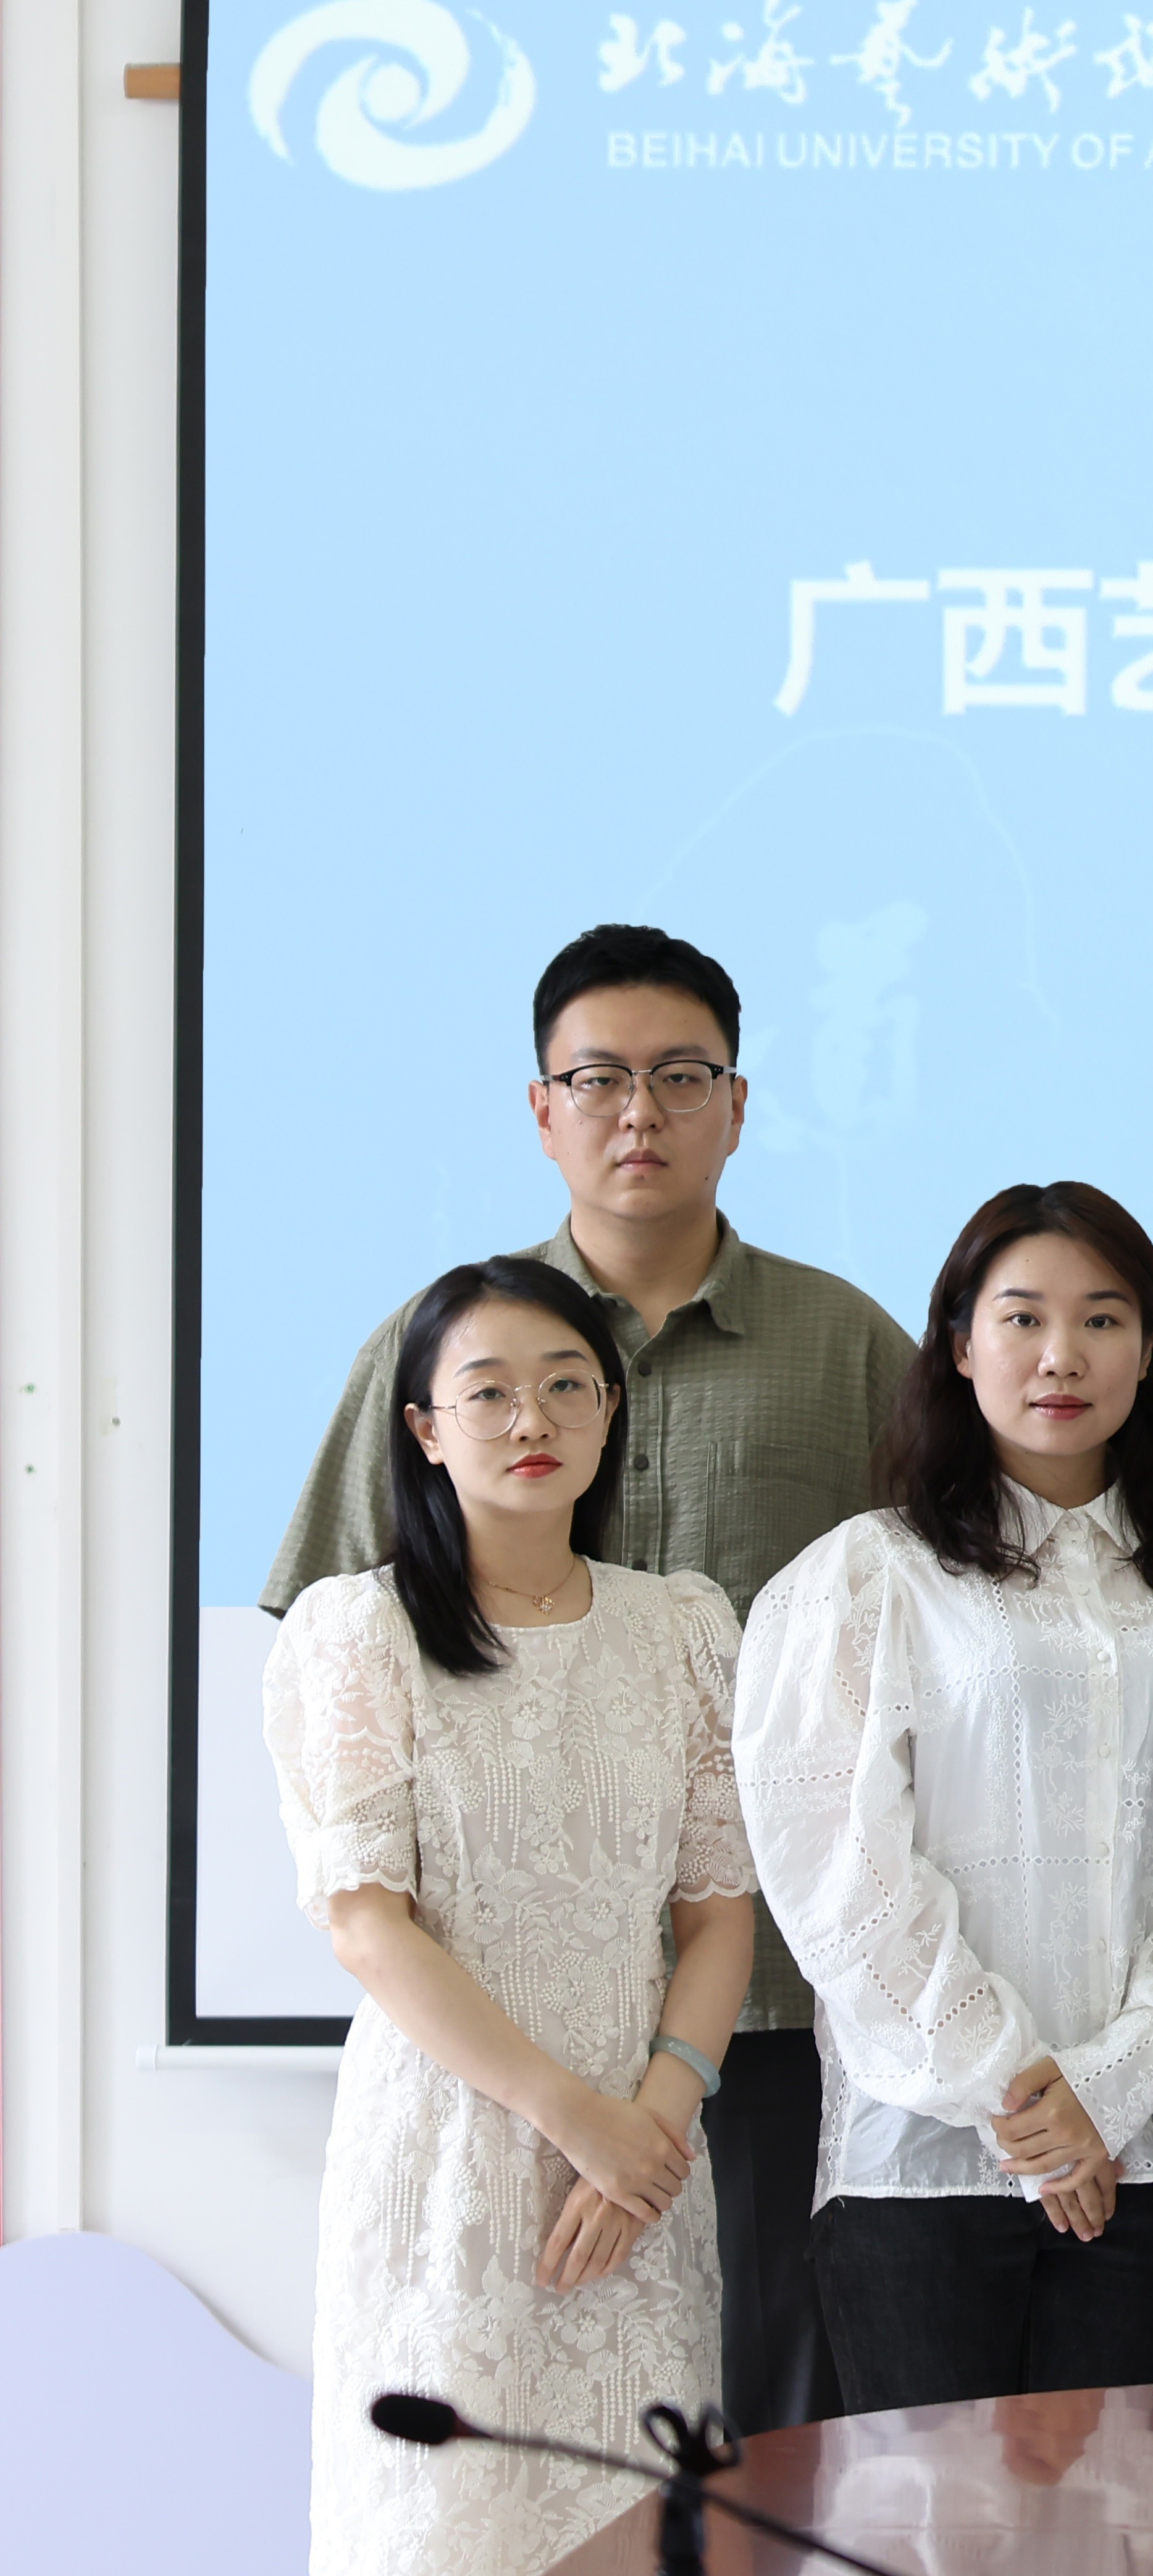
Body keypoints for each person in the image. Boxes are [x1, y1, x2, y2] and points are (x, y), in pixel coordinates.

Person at [266, 922, 912, 2435]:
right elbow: (329, 1637)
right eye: (598, 1077)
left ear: (737, 1104)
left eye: (681, 1076)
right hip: (482, 2019)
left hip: (769, 1990)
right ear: (541, 1107)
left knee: (763, 2416)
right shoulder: (436, 1343)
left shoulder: (848, 1347)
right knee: (492, 2419)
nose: (640, 1111)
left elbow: (952, 1626)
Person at [264, 1256, 753, 2576]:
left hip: (645, 2170)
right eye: (487, 1391)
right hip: (451, 2163)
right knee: (443, 2554)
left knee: (637, 2575)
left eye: (565, 1385)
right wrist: (572, 2115)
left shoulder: (683, 1627)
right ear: (423, 1425)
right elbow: (368, 1924)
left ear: (609, 1411)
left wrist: (656, 2115)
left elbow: (719, 1914)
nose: (531, 1418)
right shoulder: (359, 1631)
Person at [735, 1182, 1153, 2412]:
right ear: (958, 1340)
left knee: (1125, 2521)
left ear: (1150, 1345)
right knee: (934, 2520)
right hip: (920, 2167)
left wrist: (1106, 2086)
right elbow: (838, 1866)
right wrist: (1023, 2095)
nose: (1061, 1355)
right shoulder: (868, 1576)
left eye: (1102, 1318)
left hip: (1144, 2159)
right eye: (1023, 1316)